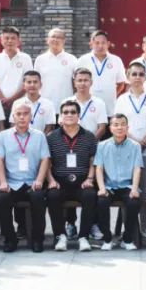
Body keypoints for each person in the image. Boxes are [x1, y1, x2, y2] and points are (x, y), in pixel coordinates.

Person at [115, 62, 146, 241]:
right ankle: (128, 229)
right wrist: (135, 141)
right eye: (133, 74)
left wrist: (145, 140)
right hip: (127, 148)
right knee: (127, 190)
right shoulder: (122, 99)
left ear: (145, 77)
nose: (137, 77)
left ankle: (145, 227)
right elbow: (118, 124)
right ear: (128, 76)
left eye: (141, 74)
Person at [0, 102, 51, 252]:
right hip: (12, 182)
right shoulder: (3, 136)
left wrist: (40, 180)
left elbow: (45, 159)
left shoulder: (39, 136)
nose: (22, 117)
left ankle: (37, 239)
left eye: (25, 114)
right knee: (2, 199)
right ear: (13, 117)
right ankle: (10, 239)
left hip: (32, 182)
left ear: (31, 116)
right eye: (18, 114)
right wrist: (3, 182)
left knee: (38, 198)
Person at [45, 100, 100, 252]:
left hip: (82, 181)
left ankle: (83, 237)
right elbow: (46, 161)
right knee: (52, 195)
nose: (69, 115)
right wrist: (51, 180)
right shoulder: (51, 137)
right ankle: (60, 236)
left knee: (90, 195)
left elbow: (93, 160)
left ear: (78, 115)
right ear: (60, 117)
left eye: (73, 112)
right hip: (59, 181)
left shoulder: (89, 136)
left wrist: (90, 179)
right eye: (66, 112)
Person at [94, 115, 144, 251]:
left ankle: (127, 239)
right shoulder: (102, 145)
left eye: (123, 124)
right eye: (116, 125)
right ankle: (107, 238)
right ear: (110, 128)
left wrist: (134, 189)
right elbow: (99, 168)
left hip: (127, 185)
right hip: (109, 185)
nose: (119, 127)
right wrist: (101, 188)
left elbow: (137, 168)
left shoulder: (135, 146)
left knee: (134, 202)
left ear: (128, 127)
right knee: (101, 202)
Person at [76, 30, 126, 116]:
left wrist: (111, 94)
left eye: (103, 43)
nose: (100, 46)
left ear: (108, 44)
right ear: (91, 44)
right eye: (97, 43)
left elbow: (121, 83)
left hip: (109, 107)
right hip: (88, 106)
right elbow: (76, 82)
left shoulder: (116, 60)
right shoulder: (83, 60)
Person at [0, 26, 34, 118]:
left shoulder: (26, 58)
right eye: (6, 38)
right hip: (0, 103)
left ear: (18, 41)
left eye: (13, 38)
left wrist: (12, 100)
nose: (9, 41)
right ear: (2, 41)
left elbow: (28, 82)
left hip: (21, 103)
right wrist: (3, 99)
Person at [33, 28, 79, 109]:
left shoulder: (72, 59)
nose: (55, 39)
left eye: (59, 37)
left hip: (66, 107)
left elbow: (76, 83)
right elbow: (35, 82)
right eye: (53, 37)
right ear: (47, 40)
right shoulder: (40, 59)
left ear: (64, 41)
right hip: (44, 106)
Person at [66, 67, 109, 138]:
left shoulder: (99, 103)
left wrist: (90, 142)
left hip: (92, 142)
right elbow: (63, 125)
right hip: (70, 142)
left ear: (91, 82)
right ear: (74, 83)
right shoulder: (66, 102)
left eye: (86, 80)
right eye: (79, 80)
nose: (82, 83)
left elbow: (102, 128)